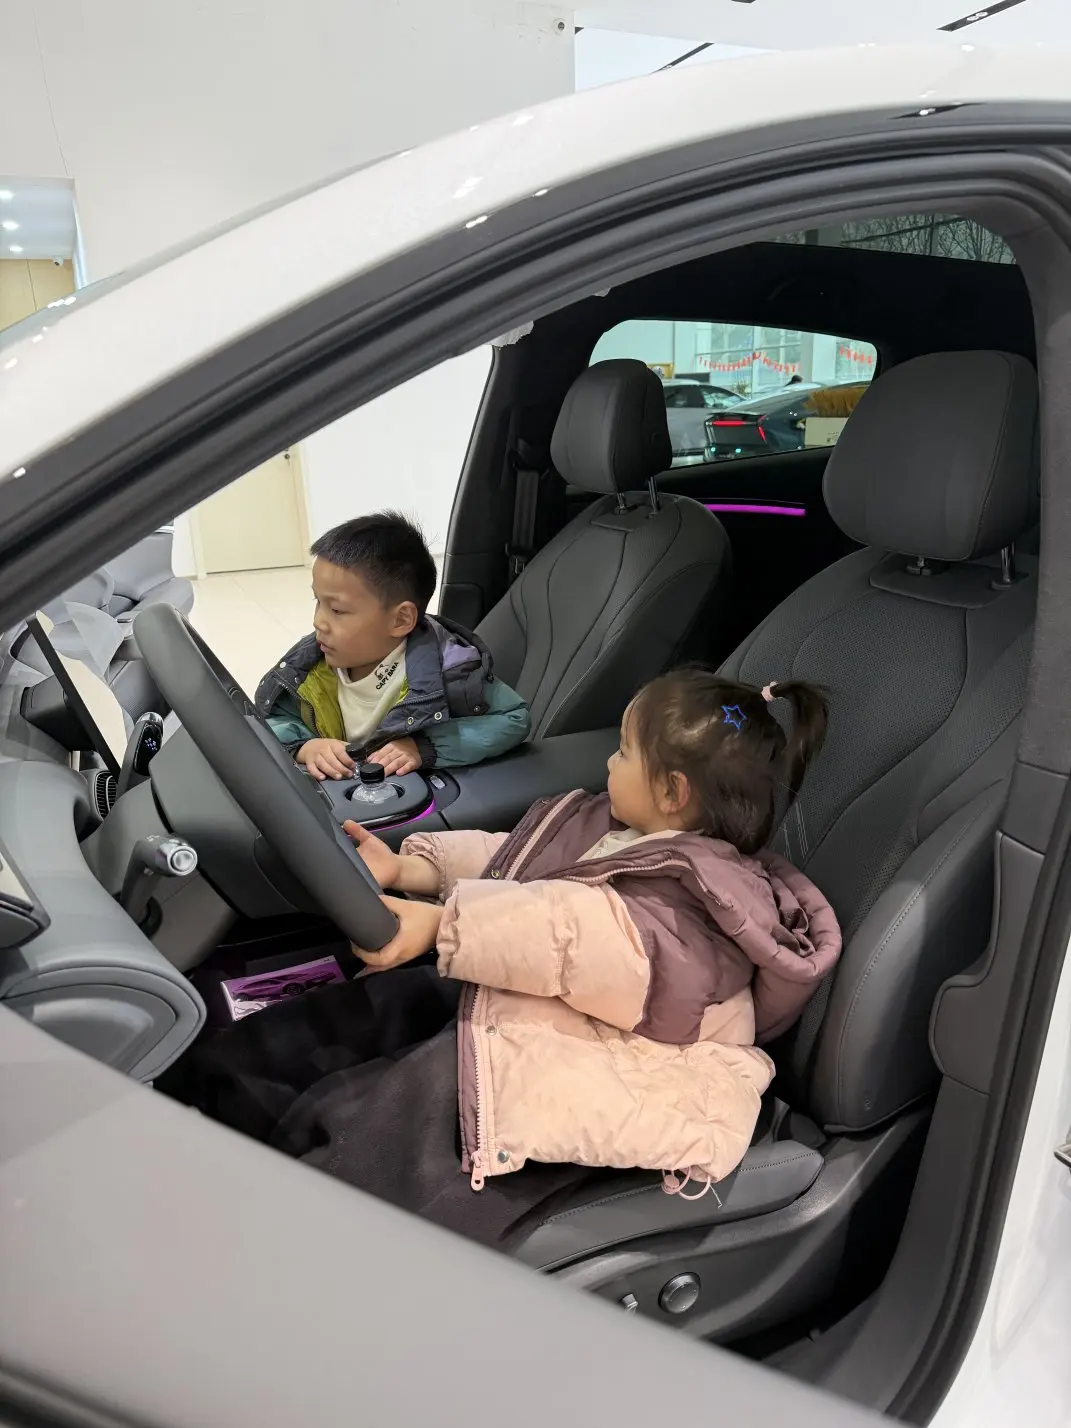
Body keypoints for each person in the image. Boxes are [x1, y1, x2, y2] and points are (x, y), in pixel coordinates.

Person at [169, 671, 841, 1251]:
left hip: (612, 1061)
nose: (609, 763)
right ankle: (221, 1092)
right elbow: (515, 859)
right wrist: (413, 868)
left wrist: (445, 924)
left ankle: (304, 1226)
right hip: (541, 1006)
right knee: (374, 1009)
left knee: (413, 1121)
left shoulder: (700, 904)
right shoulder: (616, 827)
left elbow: (573, 934)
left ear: (672, 792)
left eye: (623, 751)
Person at [255, 511, 530, 778]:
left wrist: (424, 747)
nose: (318, 622)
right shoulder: (307, 666)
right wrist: (304, 746)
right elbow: (271, 719)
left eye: (337, 610)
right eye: (318, 601)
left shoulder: (450, 671)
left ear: (401, 620)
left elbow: (513, 718)